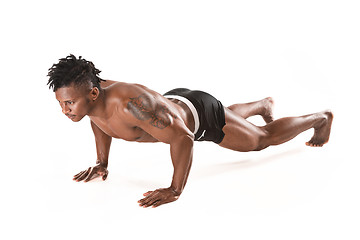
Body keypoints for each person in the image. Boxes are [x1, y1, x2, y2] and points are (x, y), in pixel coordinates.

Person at [47, 54, 333, 208]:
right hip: (175, 104)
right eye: (61, 103)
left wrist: (175, 189)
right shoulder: (91, 100)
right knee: (228, 118)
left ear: (94, 93)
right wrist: (102, 162)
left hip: (198, 118)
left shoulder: (131, 106)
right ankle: (262, 103)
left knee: (260, 140)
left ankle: (319, 119)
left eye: (70, 103)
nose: (66, 110)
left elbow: (183, 137)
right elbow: (98, 121)